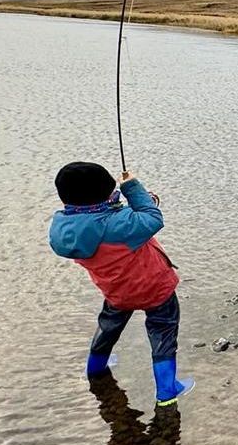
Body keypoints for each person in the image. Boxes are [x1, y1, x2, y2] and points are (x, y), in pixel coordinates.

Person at [49, 161, 194, 404]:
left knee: (108, 328)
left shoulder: (62, 228)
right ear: (107, 194)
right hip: (155, 288)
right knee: (163, 332)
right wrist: (132, 187)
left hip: (115, 292)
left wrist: (115, 203)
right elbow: (152, 217)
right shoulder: (122, 224)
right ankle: (168, 392)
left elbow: (96, 220)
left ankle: (95, 370)